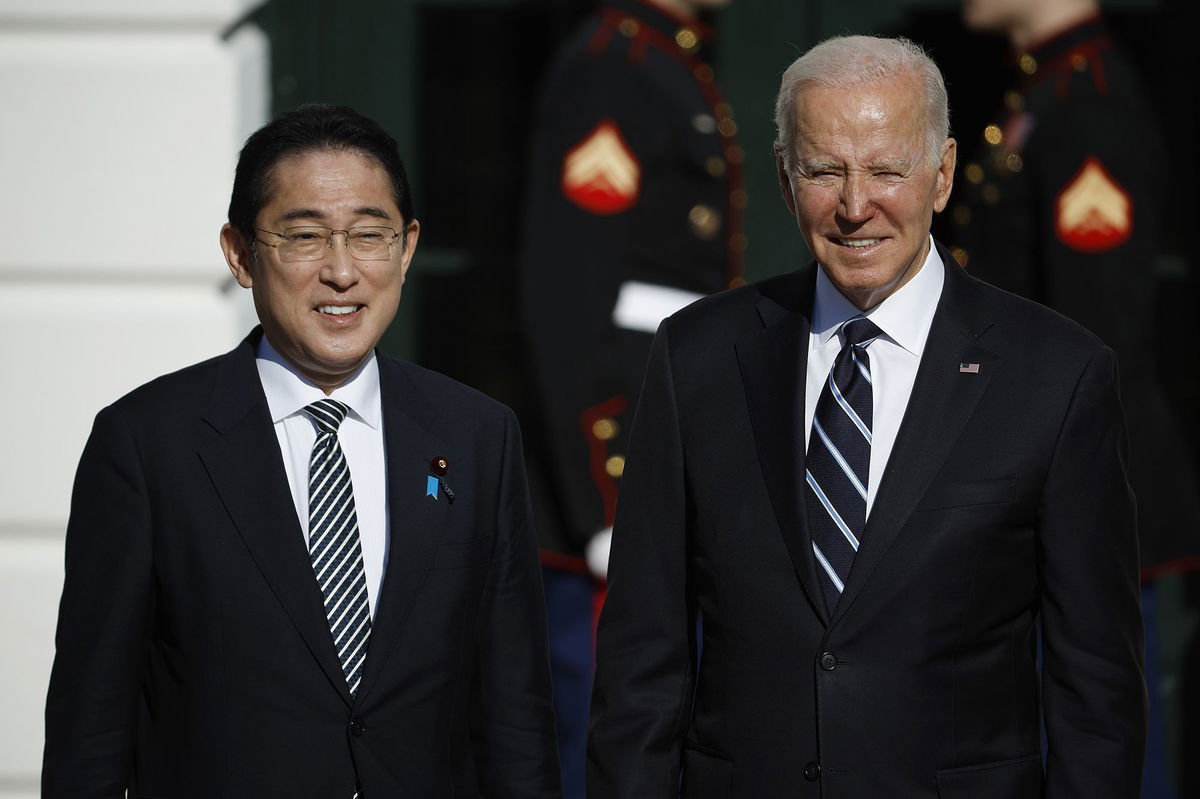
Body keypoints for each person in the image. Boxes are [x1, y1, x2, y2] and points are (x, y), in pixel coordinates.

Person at [588, 35, 1145, 798]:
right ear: (786, 180)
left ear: (942, 173)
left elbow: (1097, 695)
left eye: (887, 169)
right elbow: (639, 664)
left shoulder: (1057, 375)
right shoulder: (697, 357)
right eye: (824, 171)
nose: (856, 206)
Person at [42, 104, 561, 798]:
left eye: (369, 235)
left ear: (406, 248)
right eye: (305, 236)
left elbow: (515, 716)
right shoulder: (146, 444)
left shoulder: (476, 436)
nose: (342, 272)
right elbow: (91, 730)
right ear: (239, 253)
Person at [949, 2, 1200, 794]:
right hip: (1034, 489)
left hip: (1079, 501)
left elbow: (1097, 341)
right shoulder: (1044, 93)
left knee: (1103, 750)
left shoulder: (1088, 101)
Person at [518, 1, 739, 796]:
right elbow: (569, 301)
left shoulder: (663, 60)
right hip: (612, 490)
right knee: (599, 747)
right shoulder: (613, 66)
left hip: (662, 471)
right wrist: (606, 504)